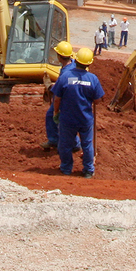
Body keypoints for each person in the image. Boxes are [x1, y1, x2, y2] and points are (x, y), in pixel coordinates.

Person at [52, 47, 105, 178]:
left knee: (65, 144)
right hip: (85, 118)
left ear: (76, 60)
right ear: (89, 63)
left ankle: (66, 168)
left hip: (67, 118)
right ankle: (88, 170)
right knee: (87, 144)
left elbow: (57, 98)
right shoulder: (93, 79)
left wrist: (55, 112)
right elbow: (98, 100)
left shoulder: (65, 77)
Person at [41, 41, 80, 151]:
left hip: (65, 98)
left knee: (61, 120)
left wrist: (50, 87)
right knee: (53, 117)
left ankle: (73, 144)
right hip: (69, 96)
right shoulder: (71, 65)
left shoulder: (67, 71)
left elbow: (63, 86)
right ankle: (55, 140)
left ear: (59, 56)